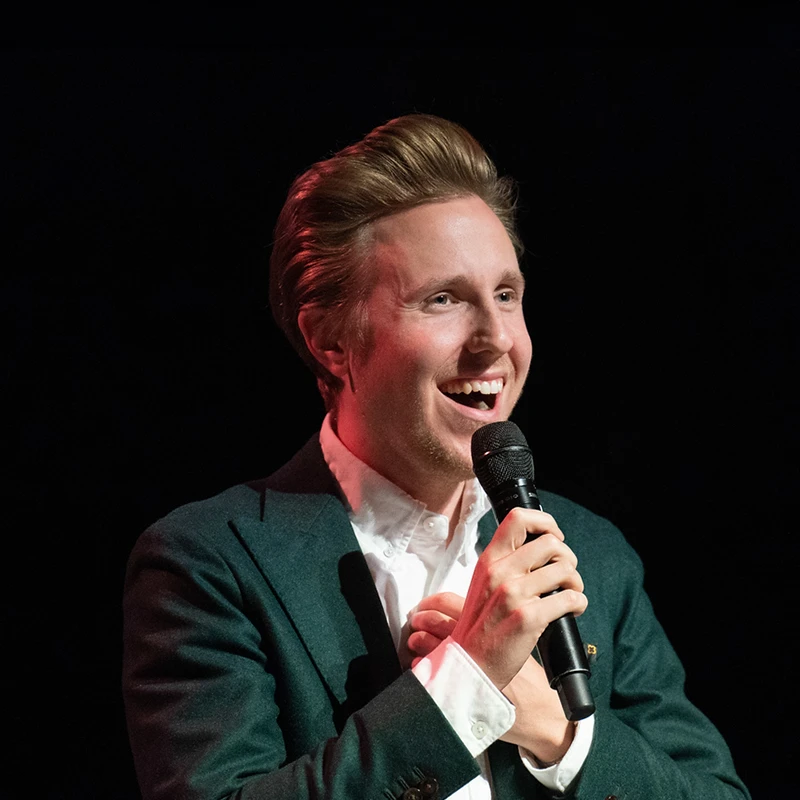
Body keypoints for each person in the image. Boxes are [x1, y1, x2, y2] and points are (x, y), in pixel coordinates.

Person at [122, 114, 750, 800]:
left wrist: (560, 735)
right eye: (444, 299)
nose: (495, 341)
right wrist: (466, 681)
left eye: (506, 296)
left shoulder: (594, 555)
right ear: (332, 340)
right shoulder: (209, 561)